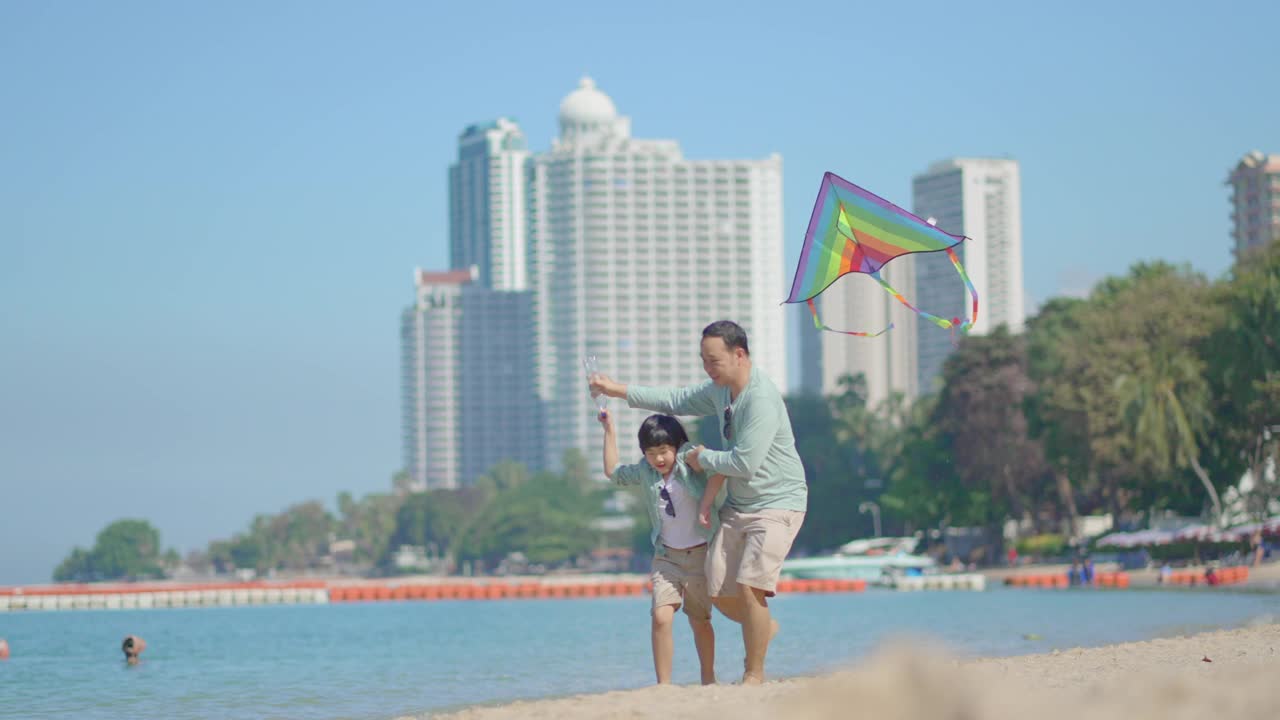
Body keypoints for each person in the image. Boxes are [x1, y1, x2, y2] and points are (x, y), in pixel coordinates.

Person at [591, 319, 808, 685]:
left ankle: (753, 674)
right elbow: (675, 401)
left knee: (751, 584)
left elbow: (743, 462)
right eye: (703, 361)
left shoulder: (761, 399)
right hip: (739, 506)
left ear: (739, 355)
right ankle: (763, 628)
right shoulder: (721, 391)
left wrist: (703, 457)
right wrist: (616, 390)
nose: (708, 369)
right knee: (717, 588)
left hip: (777, 503)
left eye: (713, 361)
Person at [600, 411, 726, 685]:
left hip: (700, 555)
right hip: (666, 557)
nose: (658, 458)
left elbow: (719, 470)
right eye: (651, 452)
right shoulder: (646, 472)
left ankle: (708, 678)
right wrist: (609, 429)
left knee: (700, 621)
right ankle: (664, 685)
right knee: (660, 617)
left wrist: (706, 503)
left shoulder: (689, 460)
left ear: (677, 446)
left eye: (664, 451)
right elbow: (613, 473)